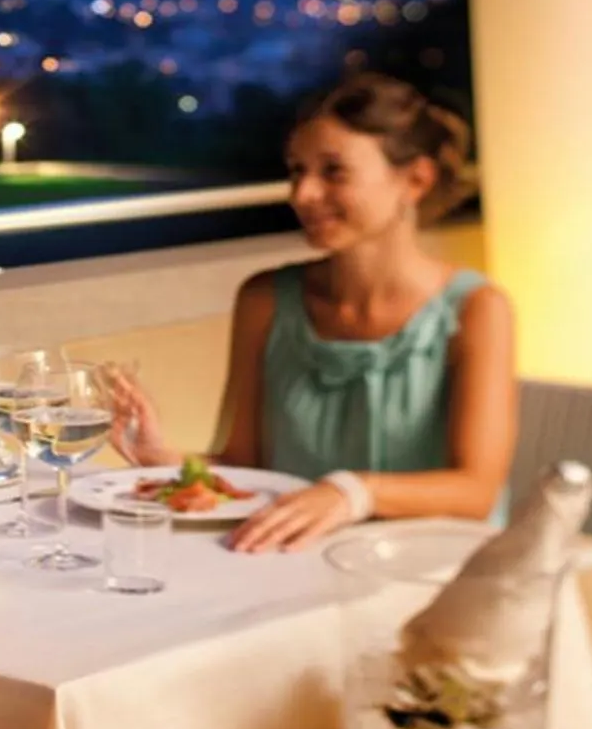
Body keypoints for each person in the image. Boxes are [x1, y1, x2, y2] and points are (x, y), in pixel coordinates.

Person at [111, 72, 516, 552]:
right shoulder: (265, 300)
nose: (303, 195)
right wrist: (169, 461)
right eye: (296, 171)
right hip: (301, 567)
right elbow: (248, 468)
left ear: (416, 180)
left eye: (333, 171)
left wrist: (351, 493)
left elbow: (476, 491)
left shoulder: (476, 310)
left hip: (433, 571)